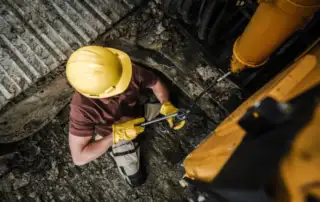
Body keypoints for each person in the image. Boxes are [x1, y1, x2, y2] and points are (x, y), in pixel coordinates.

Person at [66, 46, 185, 186]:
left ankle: (155, 111)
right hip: (113, 134)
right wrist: (115, 136)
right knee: (136, 180)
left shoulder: (122, 70)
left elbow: (156, 83)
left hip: (138, 113)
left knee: (175, 104)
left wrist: (166, 104)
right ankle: (115, 149)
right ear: (97, 94)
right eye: (117, 88)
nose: (125, 83)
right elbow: (79, 157)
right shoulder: (81, 109)